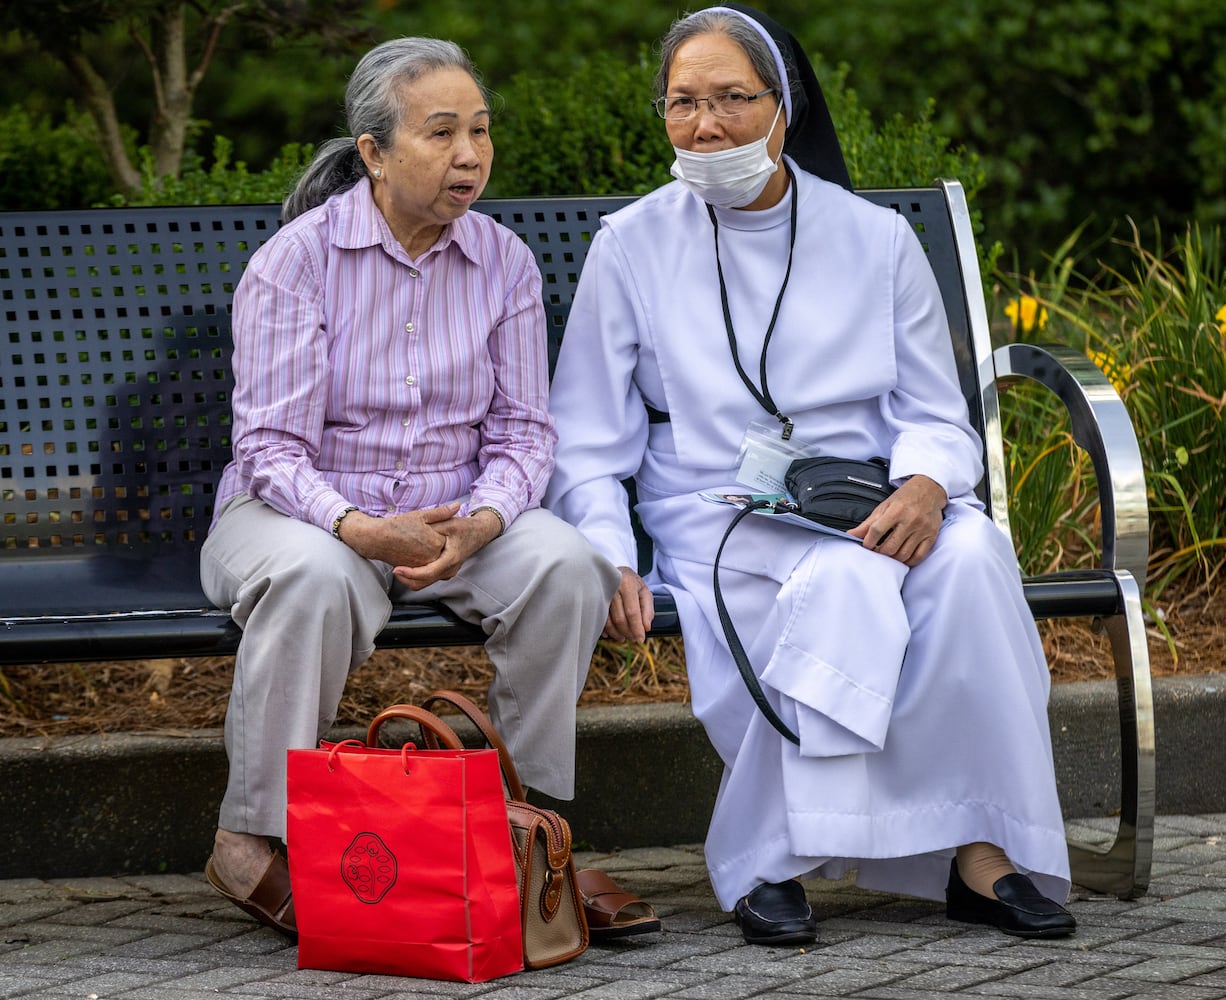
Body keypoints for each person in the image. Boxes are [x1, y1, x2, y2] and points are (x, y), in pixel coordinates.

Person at [545, 4, 1077, 945]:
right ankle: (773, 853)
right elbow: (587, 436)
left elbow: (931, 414)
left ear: (782, 106)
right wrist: (604, 551)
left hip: (864, 495)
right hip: (714, 509)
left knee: (972, 557)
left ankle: (981, 853)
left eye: (731, 99)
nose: (704, 126)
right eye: (682, 103)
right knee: (845, 581)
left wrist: (927, 486)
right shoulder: (632, 243)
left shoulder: (875, 239)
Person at [199, 37, 639, 940]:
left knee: (566, 564)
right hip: (299, 510)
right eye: (441, 133)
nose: (469, 155)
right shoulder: (297, 262)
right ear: (373, 151)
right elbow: (271, 450)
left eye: (479, 131)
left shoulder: (504, 262)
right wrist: (361, 530)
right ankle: (252, 836)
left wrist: (480, 525)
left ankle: (529, 828)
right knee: (313, 579)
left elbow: (524, 433)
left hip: (452, 513)